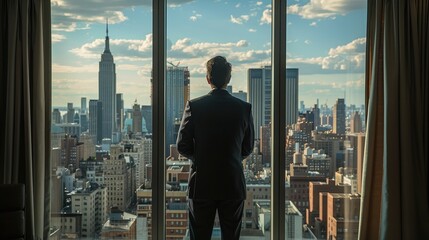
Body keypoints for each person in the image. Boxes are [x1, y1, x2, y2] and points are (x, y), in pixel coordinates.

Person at [176, 56, 255, 240]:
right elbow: (248, 146)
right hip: (232, 183)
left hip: (202, 184)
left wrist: (201, 158)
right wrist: (232, 158)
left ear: (208, 79)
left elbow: (182, 145)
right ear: (228, 79)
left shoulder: (195, 106)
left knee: (199, 236)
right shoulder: (244, 108)